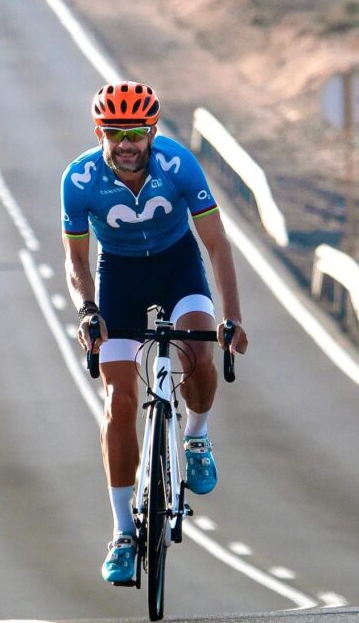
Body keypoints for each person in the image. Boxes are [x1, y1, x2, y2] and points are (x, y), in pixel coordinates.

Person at [61, 80, 248, 584]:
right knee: (119, 401)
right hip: (117, 276)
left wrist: (231, 318)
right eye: (116, 132)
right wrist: (87, 310)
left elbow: (217, 245)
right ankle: (123, 534)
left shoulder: (178, 164)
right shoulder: (78, 180)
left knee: (199, 353)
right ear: (100, 132)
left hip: (176, 266)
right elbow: (77, 257)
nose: (127, 144)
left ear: (153, 131)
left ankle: (197, 438)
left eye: (137, 132)